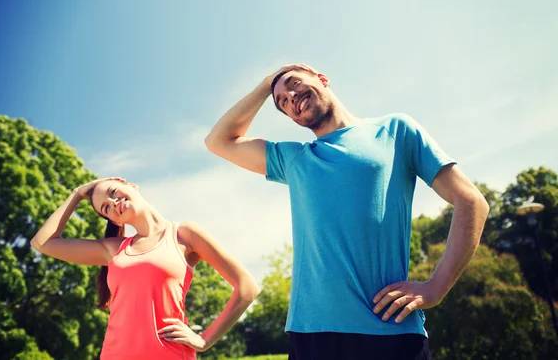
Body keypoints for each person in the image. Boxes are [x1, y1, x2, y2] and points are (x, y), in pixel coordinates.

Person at [204, 63, 489, 360]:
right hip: (313, 337)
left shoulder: (395, 130)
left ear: (321, 78)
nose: (290, 97)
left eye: (293, 83)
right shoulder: (294, 158)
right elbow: (218, 141)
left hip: (391, 333)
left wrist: (435, 287)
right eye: (282, 102)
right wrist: (266, 84)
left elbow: (471, 201)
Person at [31, 177, 260, 360]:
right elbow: (43, 243)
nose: (113, 203)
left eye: (113, 193)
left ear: (130, 186)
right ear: (115, 221)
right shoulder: (114, 249)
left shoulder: (184, 234)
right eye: (106, 208)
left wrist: (204, 340)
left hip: (169, 355)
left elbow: (247, 287)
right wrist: (77, 193)